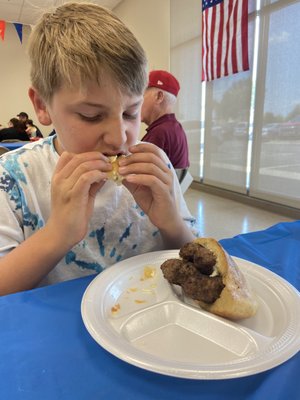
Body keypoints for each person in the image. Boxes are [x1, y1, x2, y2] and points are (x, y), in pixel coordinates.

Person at [0, 2, 196, 296]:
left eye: (131, 113)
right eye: (92, 116)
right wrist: (57, 235)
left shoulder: (157, 163)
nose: (120, 139)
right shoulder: (12, 178)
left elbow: (194, 257)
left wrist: (171, 223)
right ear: (42, 106)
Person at [141, 70, 190, 182]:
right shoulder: (175, 128)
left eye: (141, 95)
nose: (137, 102)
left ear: (159, 97)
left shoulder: (160, 133)